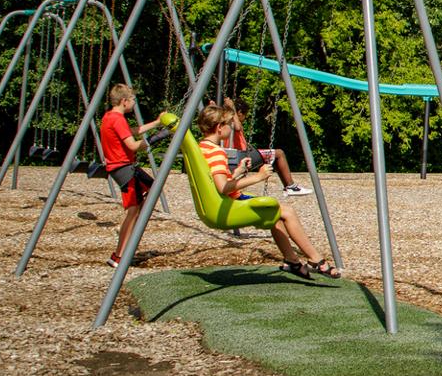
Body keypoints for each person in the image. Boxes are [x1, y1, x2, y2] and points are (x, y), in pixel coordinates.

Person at [197, 102, 337, 278]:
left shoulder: (202, 148)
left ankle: (292, 261)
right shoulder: (217, 152)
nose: (231, 128)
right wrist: (258, 177)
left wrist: (238, 172)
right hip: (228, 205)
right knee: (288, 211)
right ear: (219, 128)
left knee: (275, 214)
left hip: (220, 202)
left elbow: (218, 183)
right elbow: (223, 187)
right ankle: (316, 259)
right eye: (229, 124)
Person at [98, 84, 166, 268]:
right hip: (123, 168)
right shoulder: (118, 119)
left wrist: (157, 123)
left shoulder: (110, 116)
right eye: (133, 100)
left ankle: (131, 229)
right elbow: (133, 145)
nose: (135, 103)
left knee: (152, 188)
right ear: (124, 101)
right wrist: (157, 138)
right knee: (133, 211)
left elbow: (131, 132)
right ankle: (119, 255)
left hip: (125, 166)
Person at [220, 96, 310, 196]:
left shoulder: (224, 121)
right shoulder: (233, 121)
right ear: (239, 113)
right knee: (279, 153)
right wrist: (232, 108)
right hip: (241, 157)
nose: (245, 118)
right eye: (245, 115)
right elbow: (237, 127)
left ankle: (288, 186)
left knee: (272, 157)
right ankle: (291, 186)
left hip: (239, 155)